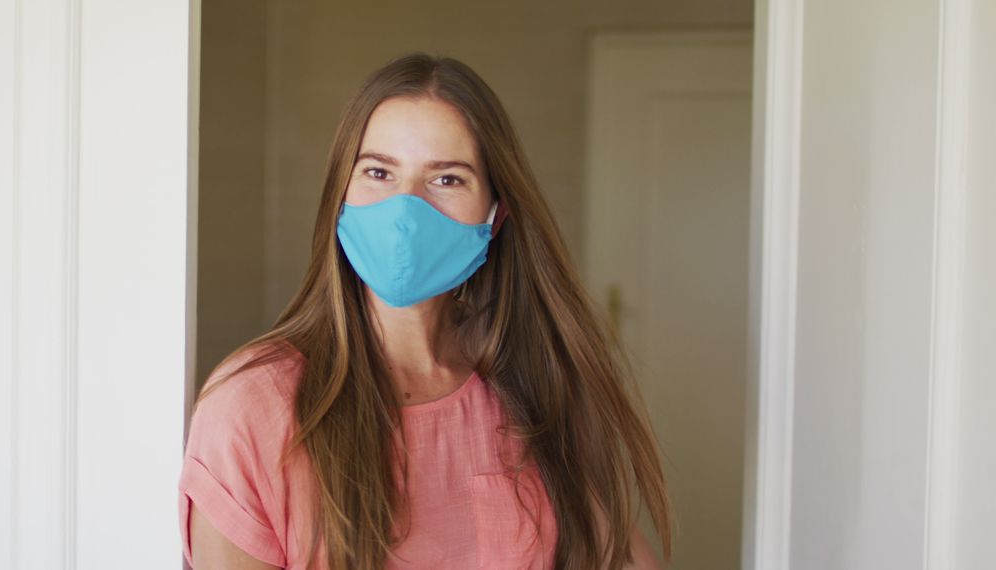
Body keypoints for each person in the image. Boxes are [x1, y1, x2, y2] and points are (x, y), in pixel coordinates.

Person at [178, 52, 675, 570]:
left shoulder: (533, 385)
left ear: (495, 215)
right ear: (340, 196)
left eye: (447, 179)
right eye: (379, 172)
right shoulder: (254, 404)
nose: (405, 213)